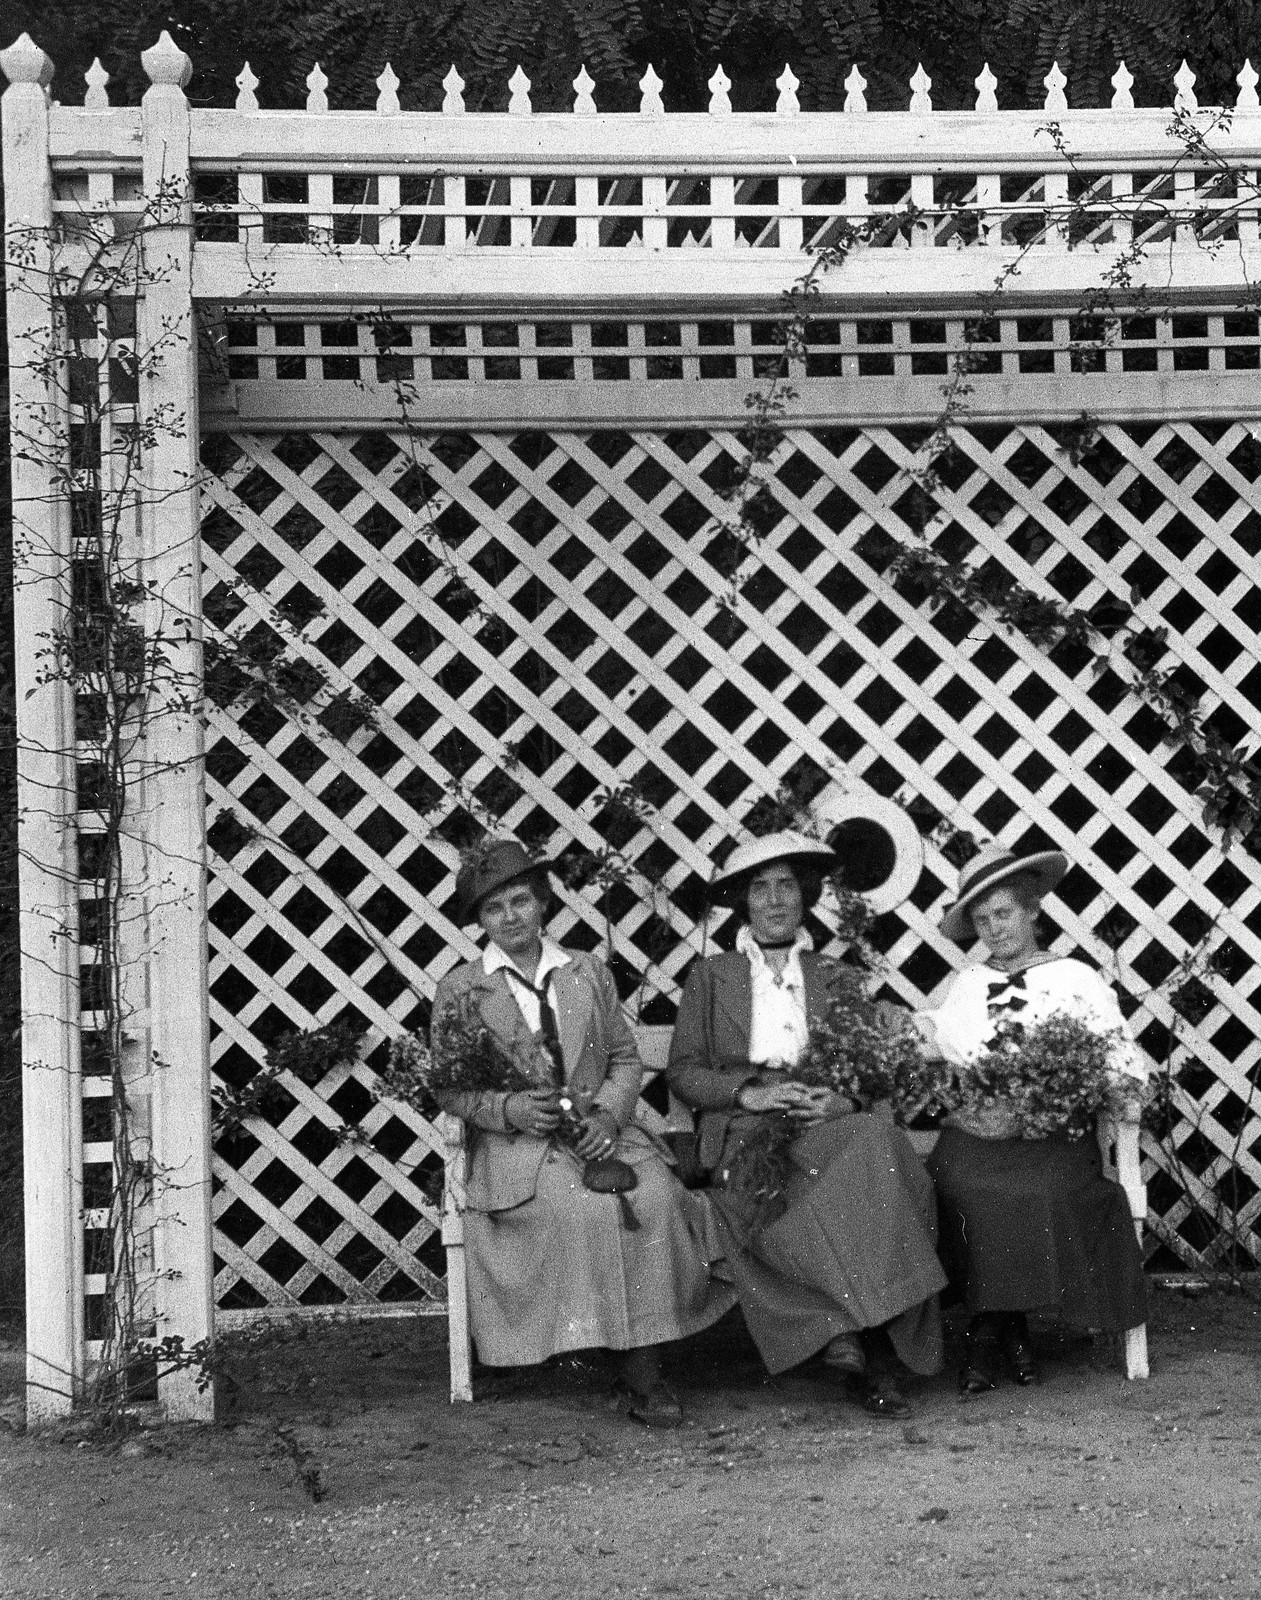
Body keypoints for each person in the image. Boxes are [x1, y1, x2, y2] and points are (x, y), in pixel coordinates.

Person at [433, 838, 736, 1427]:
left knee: (656, 1198)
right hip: (522, 1147)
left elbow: (624, 1059)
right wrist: (509, 1109)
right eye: (494, 910)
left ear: (543, 902)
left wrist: (609, 1116)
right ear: (480, 922)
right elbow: (449, 1089)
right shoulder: (462, 990)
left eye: (520, 901)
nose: (511, 918)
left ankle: (644, 1358)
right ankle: (620, 1363)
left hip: (603, 1133)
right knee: (582, 1209)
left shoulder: (586, 972)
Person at [665, 831, 947, 1418]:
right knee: (811, 1190)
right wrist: (750, 1093)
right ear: (743, 902)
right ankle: (867, 1344)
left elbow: (869, 1068)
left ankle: (855, 1336)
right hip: (748, 1128)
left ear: (805, 896)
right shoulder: (712, 976)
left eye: (787, 885)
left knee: (874, 1143)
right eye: (761, 888)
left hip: (823, 1117)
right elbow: (685, 1072)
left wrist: (843, 1101)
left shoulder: (834, 975)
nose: (774, 900)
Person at [915, 843, 1148, 1393]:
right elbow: (942, 1043)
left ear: (1032, 911)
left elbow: (1120, 1058)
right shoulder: (968, 984)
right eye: (981, 919)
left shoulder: (1076, 978)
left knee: (1040, 1188)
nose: (993, 929)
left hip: (1051, 1132)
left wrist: (1087, 1090)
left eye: (1003, 913)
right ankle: (1008, 1327)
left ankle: (989, 1331)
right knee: (957, 1180)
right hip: (982, 1130)